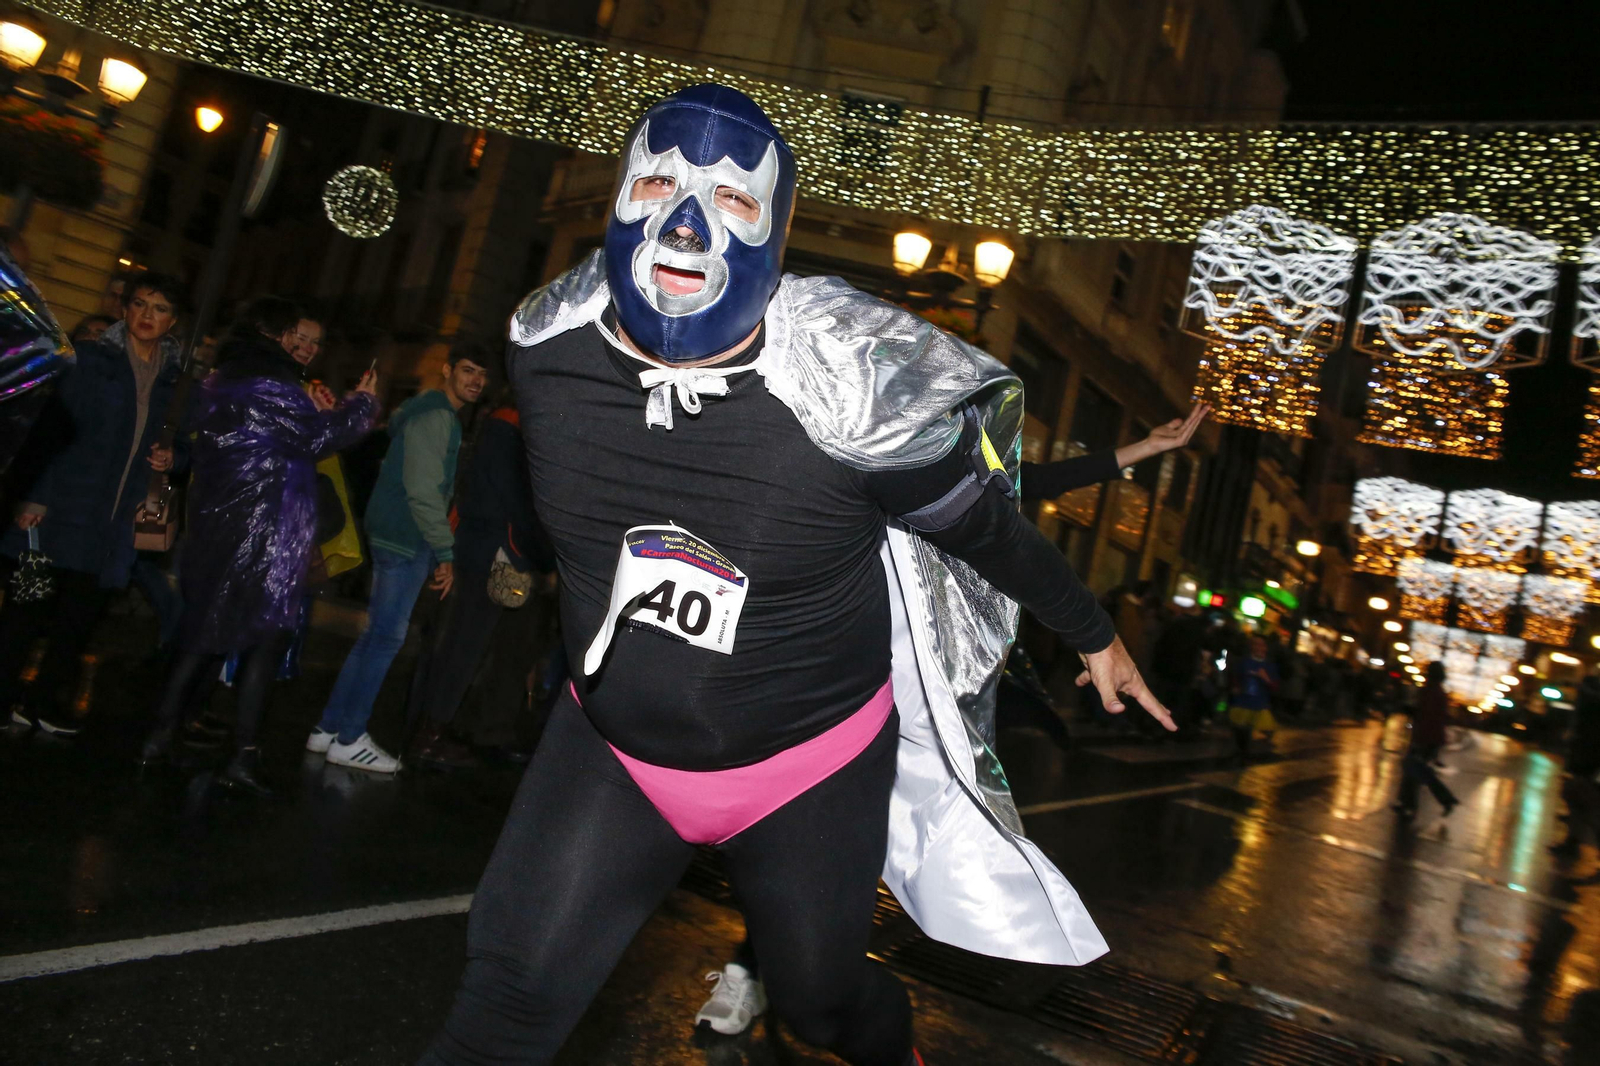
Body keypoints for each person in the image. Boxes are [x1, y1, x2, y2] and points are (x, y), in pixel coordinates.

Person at [420, 84, 1171, 1066]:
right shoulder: (546, 346)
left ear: (772, 238)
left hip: (807, 769)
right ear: (616, 204)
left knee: (817, 1010)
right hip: (613, 751)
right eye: (655, 182)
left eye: (731, 201)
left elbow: (983, 529)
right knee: (507, 999)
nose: (683, 222)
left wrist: (1092, 631)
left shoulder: (847, 394)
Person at [139, 297, 379, 792]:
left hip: (219, 530)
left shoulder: (221, 380)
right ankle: (241, 758)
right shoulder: (271, 386)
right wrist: (363, 403)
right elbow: (317, 438)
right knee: (265, 644)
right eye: (292, 333)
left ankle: (159, 736)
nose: (300, 344)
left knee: (202, 634)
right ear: (273, 336)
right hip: (267, 535)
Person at [0, 272, 187, 735]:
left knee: (79, 617)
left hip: (115, 519)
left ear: (173, 321)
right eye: (140, 304)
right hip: (62, 506)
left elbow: (185, 443)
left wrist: (174, 455)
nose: (147, 315)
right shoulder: (91, 358)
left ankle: (42, 702)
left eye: (159, 308)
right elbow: (52, 432)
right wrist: (37, 497)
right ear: (126, 308)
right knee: (27, 611)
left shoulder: (176, 381)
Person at [308, 346, 488, 772]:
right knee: (386, 638)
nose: (475, 381)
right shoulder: (438, 417)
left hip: (395, 533)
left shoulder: (428, 413)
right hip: (407, 538)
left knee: (375, 638)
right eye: (467, 370)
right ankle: (350, 735)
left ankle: (328, 728)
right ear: (447, 370)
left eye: (481, 375)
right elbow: (424, 491)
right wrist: (444, 552)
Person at [406, 389, 553, 769]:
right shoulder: (508, 432)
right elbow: (517, 503)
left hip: (489, 550)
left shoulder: (499, 428)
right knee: (467, 647)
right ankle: (432, 733)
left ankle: (437, 729)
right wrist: (542, 553)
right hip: (501, 555)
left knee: (472, 645)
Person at [1393, 660, 1459, 820]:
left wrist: (1412, 713)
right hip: (1430, 739)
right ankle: (1407, 803)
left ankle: (1411, 805)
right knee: (1417, 771)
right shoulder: (1438, 692)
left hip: (1425, 739)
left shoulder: (1431, 691)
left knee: (1415, 771)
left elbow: (1427, 717)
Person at [1228, 633, 1278, 757]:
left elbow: (1275, 687)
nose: (1258, 647)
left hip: (1259, 704)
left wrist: (1266, 678)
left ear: (1266, 648)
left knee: (1253, 730)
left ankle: (1245, 752)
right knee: (1239, 728)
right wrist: (1235, 686)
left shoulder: (1270, 665)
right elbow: (1235, 677)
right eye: (1255, 644)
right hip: (1242, 702)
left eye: (1261, 645)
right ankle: (1241, 751)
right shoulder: (1244, 662)